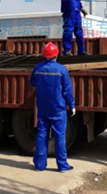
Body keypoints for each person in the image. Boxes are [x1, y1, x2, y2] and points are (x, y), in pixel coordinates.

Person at [30, 42, 75, 172]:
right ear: (56, 55)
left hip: (43, 108)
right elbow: (67, 90)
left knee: (41, 135)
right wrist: (72, 105)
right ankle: (62, 165)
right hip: (58, 108)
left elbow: (32, 82)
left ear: (44, 55)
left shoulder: (38, 68)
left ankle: (40, 165)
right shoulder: (62, 70)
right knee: (59, 136)